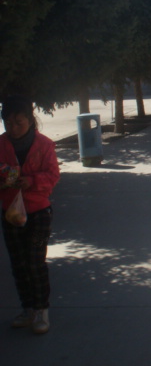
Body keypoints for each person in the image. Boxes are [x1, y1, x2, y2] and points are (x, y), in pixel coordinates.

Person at [0, 95, 60, 334]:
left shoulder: (44, 145)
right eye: (8, 123)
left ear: (30, 120)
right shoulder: (1, 145)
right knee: (19, 264)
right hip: (11, 214)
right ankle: (27, 310)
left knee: (35, 262)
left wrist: (31, 181)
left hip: (38, 213)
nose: (13, 128)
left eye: (19, 123)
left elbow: (53, 176)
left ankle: (41, 311)